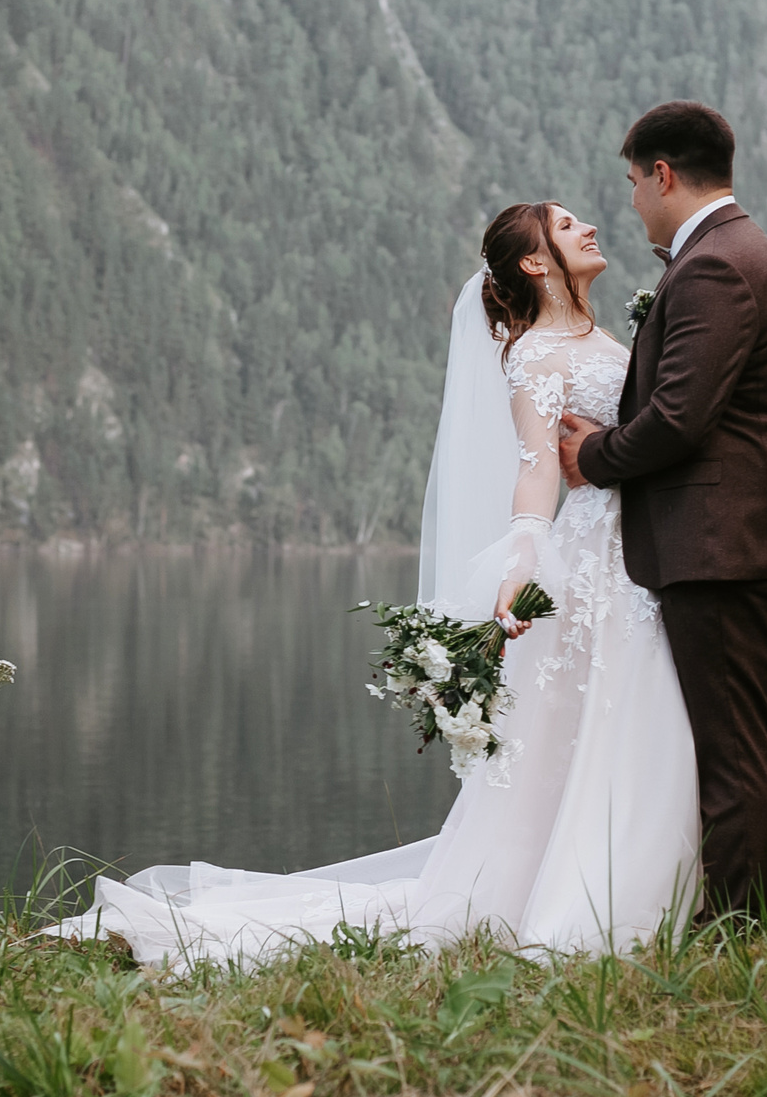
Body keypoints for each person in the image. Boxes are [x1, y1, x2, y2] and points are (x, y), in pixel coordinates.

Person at [52, 201, 702, 967]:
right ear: (534, 263)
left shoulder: (603, 335)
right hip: (591, 560)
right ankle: (586, 904)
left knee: (630, 724)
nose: (588, 226)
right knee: (602, 726)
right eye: (565, 226)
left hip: (638, 549)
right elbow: (535, 475)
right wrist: (523, 567)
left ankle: (646, 886)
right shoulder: (534, 357)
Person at [559, 100, 767, 920]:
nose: (633, 200)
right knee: (731, 736)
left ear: (664, 174)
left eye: (635, 181)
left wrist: (590, 456)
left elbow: (680, 416)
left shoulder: (715, 264)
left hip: (723, 543)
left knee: (732, 745)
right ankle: (726, 911)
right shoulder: (740, 251)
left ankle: (737, 926)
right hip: (734, 537)